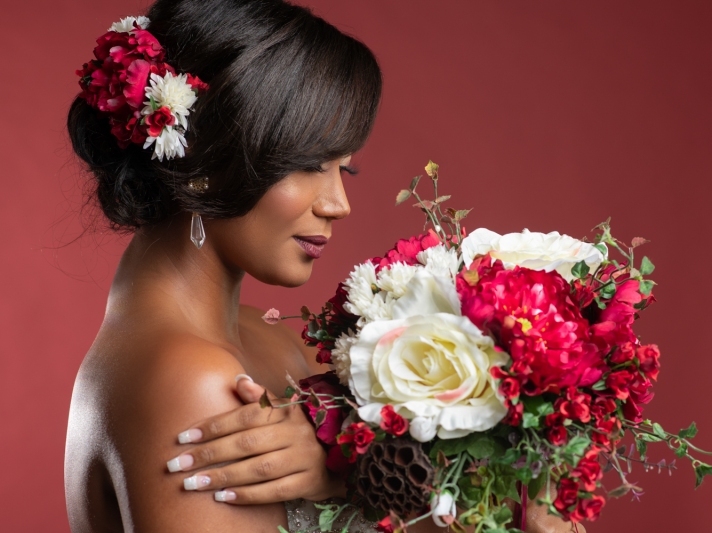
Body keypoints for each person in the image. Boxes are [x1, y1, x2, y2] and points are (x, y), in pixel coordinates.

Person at [64, 1, 584, 532]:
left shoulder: (263, 337)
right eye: (308, 165)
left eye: (345, 168)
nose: (337, 203)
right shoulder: (187, 378)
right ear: (201, 160)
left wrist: (362, 471)